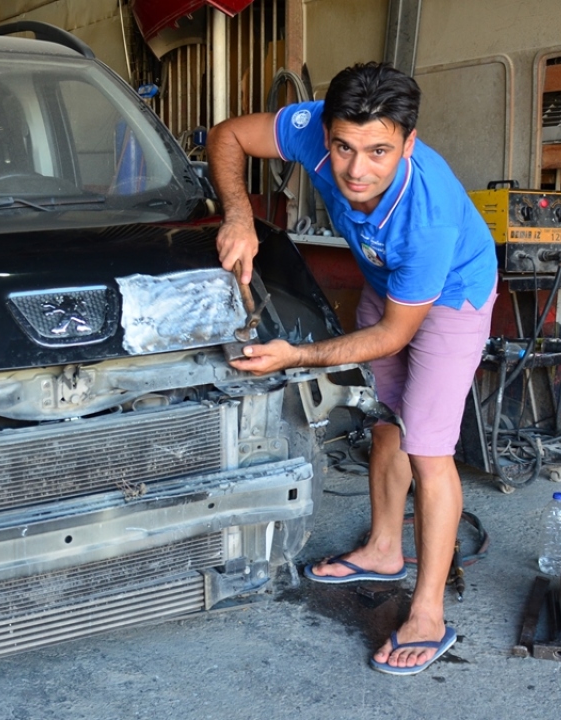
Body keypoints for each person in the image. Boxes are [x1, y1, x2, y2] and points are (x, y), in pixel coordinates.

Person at [208, 62, 498, 675]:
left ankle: (427, 612)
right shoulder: (309, 126)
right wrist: (237, 214)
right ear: (327, 131)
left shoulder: (428, 217)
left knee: (428, 446)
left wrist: (298, 357)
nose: (356, 170)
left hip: (449, 297)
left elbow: (394, 333)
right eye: (343, 147)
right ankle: (384, 550)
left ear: (409, 144)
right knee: (386, 420)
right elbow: (228, 135)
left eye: (379, 151)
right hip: (385, 282)